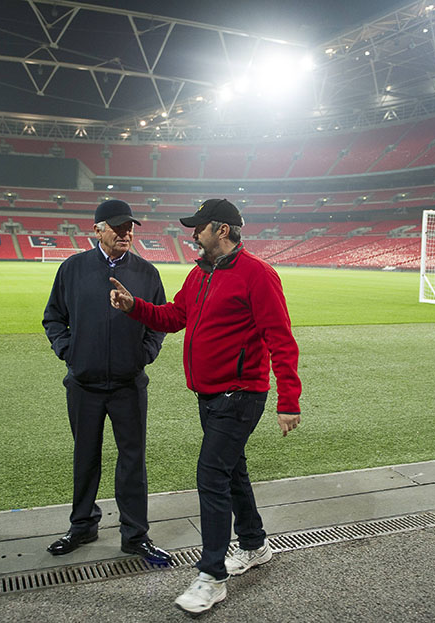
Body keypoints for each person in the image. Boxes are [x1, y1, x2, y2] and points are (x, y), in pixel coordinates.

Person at [109, 198, 302, 614]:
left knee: (211, 475)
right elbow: (175, 316)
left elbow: (280, 339)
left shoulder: (258, 274)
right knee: (232, 471)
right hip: (209, 394)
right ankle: (254, 544)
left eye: (199, 228)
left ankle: (211, 577)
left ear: (222, 230)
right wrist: (135, 307)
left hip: (241, 394)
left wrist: (288, 399)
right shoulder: (200, 275)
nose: (192, 234)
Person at [42, 199, 171, 565]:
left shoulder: (147, 273)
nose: (126, 233)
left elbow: (158, 323)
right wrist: (69, 351)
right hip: (84, 384)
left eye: (130, 227)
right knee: (85, 458)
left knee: (133, 461)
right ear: (97, 229)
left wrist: (144, 354)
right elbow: (53, 317)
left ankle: (135, 535)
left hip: (130, 385)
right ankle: (82, 526)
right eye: (117, 227)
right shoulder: (73, 268)